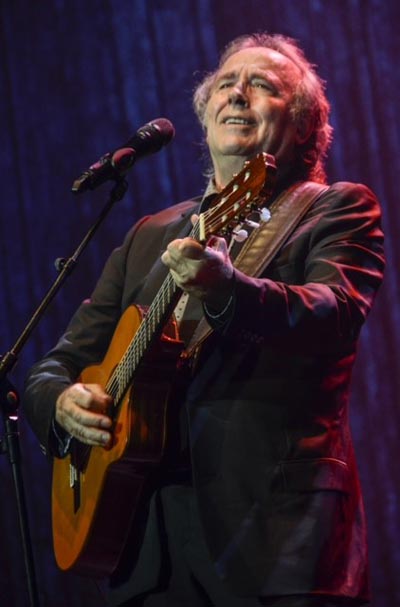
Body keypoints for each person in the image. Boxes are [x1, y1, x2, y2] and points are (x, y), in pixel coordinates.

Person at [23, 33, 385, 607]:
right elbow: (55, 367)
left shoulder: (333, 209)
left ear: (300, 127)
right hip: (146, 551)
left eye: (261, 86)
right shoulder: (149, 235)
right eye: (225, 85)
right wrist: (61, 406)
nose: (237, 94)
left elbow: (332, 314)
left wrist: (227, 288)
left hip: (274, 544)